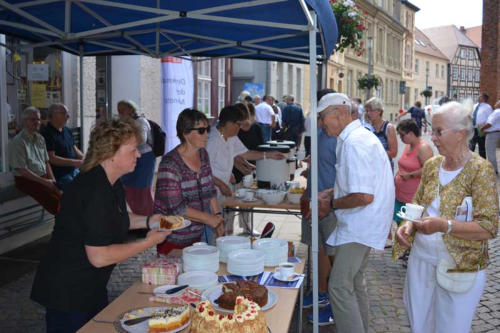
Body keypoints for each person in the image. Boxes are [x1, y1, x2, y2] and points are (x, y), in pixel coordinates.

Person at [30, 119, 171, 332]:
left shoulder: (111, 181)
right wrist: (147, 242)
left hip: (91, 286)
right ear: (111, 153)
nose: (139, 154)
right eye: (133, 149)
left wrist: (151, 220)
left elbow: (119, 217)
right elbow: (99, 257)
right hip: (69, 289)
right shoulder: (94, 189)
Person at [394, 101, 498, 333]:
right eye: (433, 129)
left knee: (451, 327)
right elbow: (418, 203)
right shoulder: (432, 165)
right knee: (419, 324)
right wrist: (408, 224)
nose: (433, 136)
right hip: (421, 259)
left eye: (439, 131)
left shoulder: (480, 170)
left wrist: (445, 225)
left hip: (460, 265)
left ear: (461, 134)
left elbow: (488, 226)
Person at [317, 93, 395, 333]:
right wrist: (333, 192)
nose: (321, 124)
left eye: (322, 118)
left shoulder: (355, 142)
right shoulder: (355, 138)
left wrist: (331, 204)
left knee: (339, 286)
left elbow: (363, 196)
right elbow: (359, 185)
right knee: (354, 282)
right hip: (365, 223)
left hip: (360, 225)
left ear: (338, 114)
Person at [206, 105, 284, 236]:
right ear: (228, 123)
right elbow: (203, 171)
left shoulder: (230, 136)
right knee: (213, 227)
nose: (240, 128)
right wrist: (221, 183)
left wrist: (269, 155)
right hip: (211, 191)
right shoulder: (213, 140)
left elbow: (246, 153)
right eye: (238, 124)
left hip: (222, 187)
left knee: (221, 224)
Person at [154, 109, 224, 253]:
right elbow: (176, 208)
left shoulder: (203, 154)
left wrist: (217, 216)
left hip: (197, 236)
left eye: (208, 129)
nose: (207, 134)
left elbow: (210, 190)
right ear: (185, 133)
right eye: (201, 131)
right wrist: (209, 219)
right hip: (171, 237)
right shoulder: (170, 164)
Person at [301, 88, 338, 326]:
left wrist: (330, 199)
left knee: (332, 256)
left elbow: (345, 174)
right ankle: (320, 292)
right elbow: (319, 162)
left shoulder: (339, 136)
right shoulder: (319, 131)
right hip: (314, 200)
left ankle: (330, 301)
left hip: (331, 205)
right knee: (318, 250)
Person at [8, 107, 62, 215]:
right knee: (57, 205)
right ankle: (66, 228)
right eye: (33, 119)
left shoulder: (40, 138)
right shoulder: (18, 142)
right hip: (26, 179)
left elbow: (46, 162)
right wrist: (46, 183)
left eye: (38, 119)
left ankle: (68, 224)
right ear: (24, 122)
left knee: (66, 197)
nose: (37, 122)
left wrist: (53, 180)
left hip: (43, 177)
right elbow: (22, 170)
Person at [393, 119, 434, 262]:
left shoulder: (423, 148)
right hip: (401, 193)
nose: (401, 138)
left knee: (411, 223)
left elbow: (429, 170)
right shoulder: (408, 146)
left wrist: (410, 175)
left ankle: (412, 252)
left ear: (411, 133)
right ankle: (404, 249)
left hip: (413, 194)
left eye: (402, 135)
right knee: (401, 221)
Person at [117, 100, 156, 216]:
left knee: (142, 192)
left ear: (130, 110)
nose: (119, 114)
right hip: (133, 158)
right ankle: (139, 217)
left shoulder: (141, 121)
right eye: (119, 111)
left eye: (121, 111)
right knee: (129, 188)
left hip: (145, 159)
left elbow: (141, 139)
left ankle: (149, 220)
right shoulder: (126, 122)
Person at [232, 103, 262, 236]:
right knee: (231, 203)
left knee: (247, 201)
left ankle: (246, 227)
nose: (242, 126)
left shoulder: (256, 128)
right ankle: (228, 229)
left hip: (250, 170)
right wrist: (243, 165)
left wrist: (252, 166)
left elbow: (260, 149)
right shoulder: (233, 131)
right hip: (233, 170)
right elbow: (233, 153)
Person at [41, 103, 84, 190]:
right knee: (79, 191)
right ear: (53, 115)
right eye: (64, 113)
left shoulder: (67, 130)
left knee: (91, 183)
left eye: (67, 113)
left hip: (73, 170)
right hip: (61, 175)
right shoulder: (46, 133)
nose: (68, 116)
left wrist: (86, 159)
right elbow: (51, 158)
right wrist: (75, 162)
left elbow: (75, 150)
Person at [365, 97, 398, 170]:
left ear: (379, 111)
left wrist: (374, 154)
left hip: (384, 168)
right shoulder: (367, 128)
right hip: (370, 167)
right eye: (367, 111)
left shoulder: (388, 128)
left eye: (371, 111)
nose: (368, 114)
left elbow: (393, 153)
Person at [469, 93, 493, 158]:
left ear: (484, 99)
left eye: (480, 97)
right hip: (473, 129)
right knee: (471, 146)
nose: (478, 97)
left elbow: (490, 119)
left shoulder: (488, 107)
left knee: (481, 147)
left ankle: (482, 163)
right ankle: (470, 161)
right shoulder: (475, 106)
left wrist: (486, 129)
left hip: (481, 129)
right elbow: (472, 115)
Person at [481, 99, 500, 174]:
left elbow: (489, 123)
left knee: (490, 152)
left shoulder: (497, 112)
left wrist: (482, 129)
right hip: (495, 133)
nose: (495, 104)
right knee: (491, 152)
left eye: (496, 103)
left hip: (492, 134)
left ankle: (492, 170)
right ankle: (492, 169)